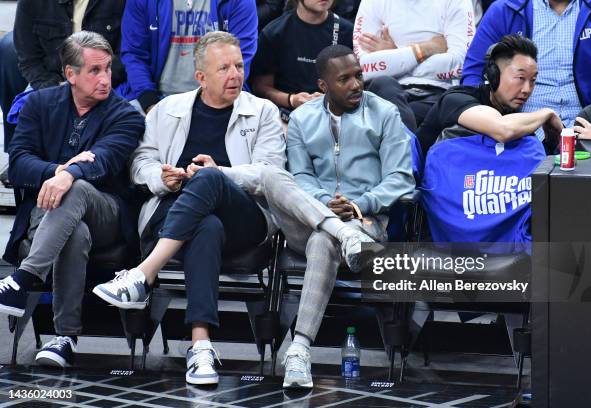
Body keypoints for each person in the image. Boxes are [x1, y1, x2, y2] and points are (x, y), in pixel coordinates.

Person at [92, 32, 376, 386]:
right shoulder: (167, 109)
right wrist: (162, 177)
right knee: (206, 225)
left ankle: (142, 275)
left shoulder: (263, 111)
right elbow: (140, 162)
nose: (235, 75)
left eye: (239, 66)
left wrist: (219, 173)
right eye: (224, 68)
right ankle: (201, 347)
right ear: (201, 77)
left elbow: (268, 170)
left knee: (210, 182)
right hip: (172, 210)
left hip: (244, 218)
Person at [0, 32, 144, 368]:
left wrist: (69, 176)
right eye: (94, 71)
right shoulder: (38, 104)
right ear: (70, 74)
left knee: (76, 190)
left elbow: (105, 159)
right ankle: (64, 338)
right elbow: (18, 161)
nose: (105, 79)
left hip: (106, 212)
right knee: (73, 232)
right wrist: (56, 171)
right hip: (47, 213)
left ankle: (23, 279)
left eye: (108, 69)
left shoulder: (127, 115)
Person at [282, 45, 415, 389]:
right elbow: (299, 178)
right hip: (317, 217)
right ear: (324, 86)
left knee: (324, 239)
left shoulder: (384, 114)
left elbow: (401, 180)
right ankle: (298, 351)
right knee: (323, 232)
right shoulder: (301, 119)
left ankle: (299, 349)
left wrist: (359, 204)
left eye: (358, 75)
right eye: (344, 79)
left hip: (369, 224)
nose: (356, 84)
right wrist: (325, 202)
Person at [461, 0, 591, 139]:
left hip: (589, 131)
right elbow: (473, 76)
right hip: (519, 132)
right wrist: (491, 124)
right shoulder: (505, 10)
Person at [0, 0, 127, 150]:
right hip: (52, 80)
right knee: (8, 49)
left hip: (103, 79)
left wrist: (89, 84)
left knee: (123, 122)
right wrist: (57, 92)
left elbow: (126, 56)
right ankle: (16, 152)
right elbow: (29, 59)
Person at [417, 34, 563, 157]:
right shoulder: (456, 100)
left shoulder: (515, 121)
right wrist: (547, 113)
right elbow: (503, 130)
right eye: (520, 78)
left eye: (533, 81)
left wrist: (550, 143)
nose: (527, 89)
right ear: (494, 75)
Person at [353, 0, 475, 130]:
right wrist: (423, 50)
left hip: (438, 93)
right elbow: (364, 69)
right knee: (383, 84)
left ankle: (407, 146)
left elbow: (461, 64)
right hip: (387, 91)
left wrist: (395, 57)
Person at [120, 0, 258, 115]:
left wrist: (208, 108)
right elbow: (134, 55)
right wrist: (150, 104)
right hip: (155, 98)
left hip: (218, 98)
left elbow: (241, 57)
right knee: (124, 132)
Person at [252, 0, 353, 120]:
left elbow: (356, 85)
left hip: (335, 115)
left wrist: (333, 97)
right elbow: (260, 87)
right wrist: (291, 100)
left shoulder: (347, 31)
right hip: (285, 115)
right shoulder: (274, 33)